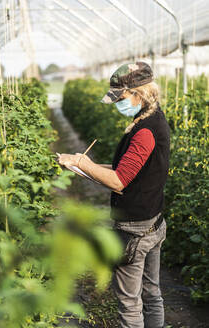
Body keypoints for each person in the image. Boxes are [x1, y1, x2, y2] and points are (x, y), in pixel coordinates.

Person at [57, 61, 170, 328]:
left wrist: (86, 165)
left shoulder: (144, 132)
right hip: (153, 222)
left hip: (134, 232)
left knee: (130, 305)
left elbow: (119, 181)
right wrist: (81, 164)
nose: (118, 103)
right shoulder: (153, 118)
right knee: (152, 293)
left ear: (138, 94)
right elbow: (128, 170)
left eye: (120, 97)